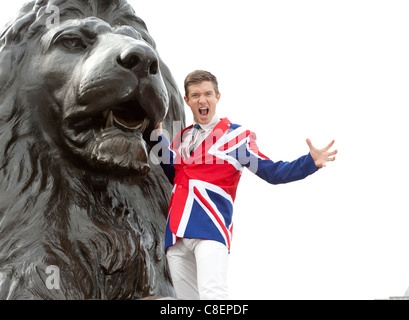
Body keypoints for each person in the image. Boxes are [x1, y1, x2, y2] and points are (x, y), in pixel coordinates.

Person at [153, 70, 337, 300]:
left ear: (217, 97)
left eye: (208, 94)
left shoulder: (237, 138)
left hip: (210, 230)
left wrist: (309, 163)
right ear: (186, 100)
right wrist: (158, 136)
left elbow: (272, 172)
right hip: (176, 235)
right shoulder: (183, 137)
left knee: (214, 298)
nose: (202, 100)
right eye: (196, 95)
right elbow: (175, 175)